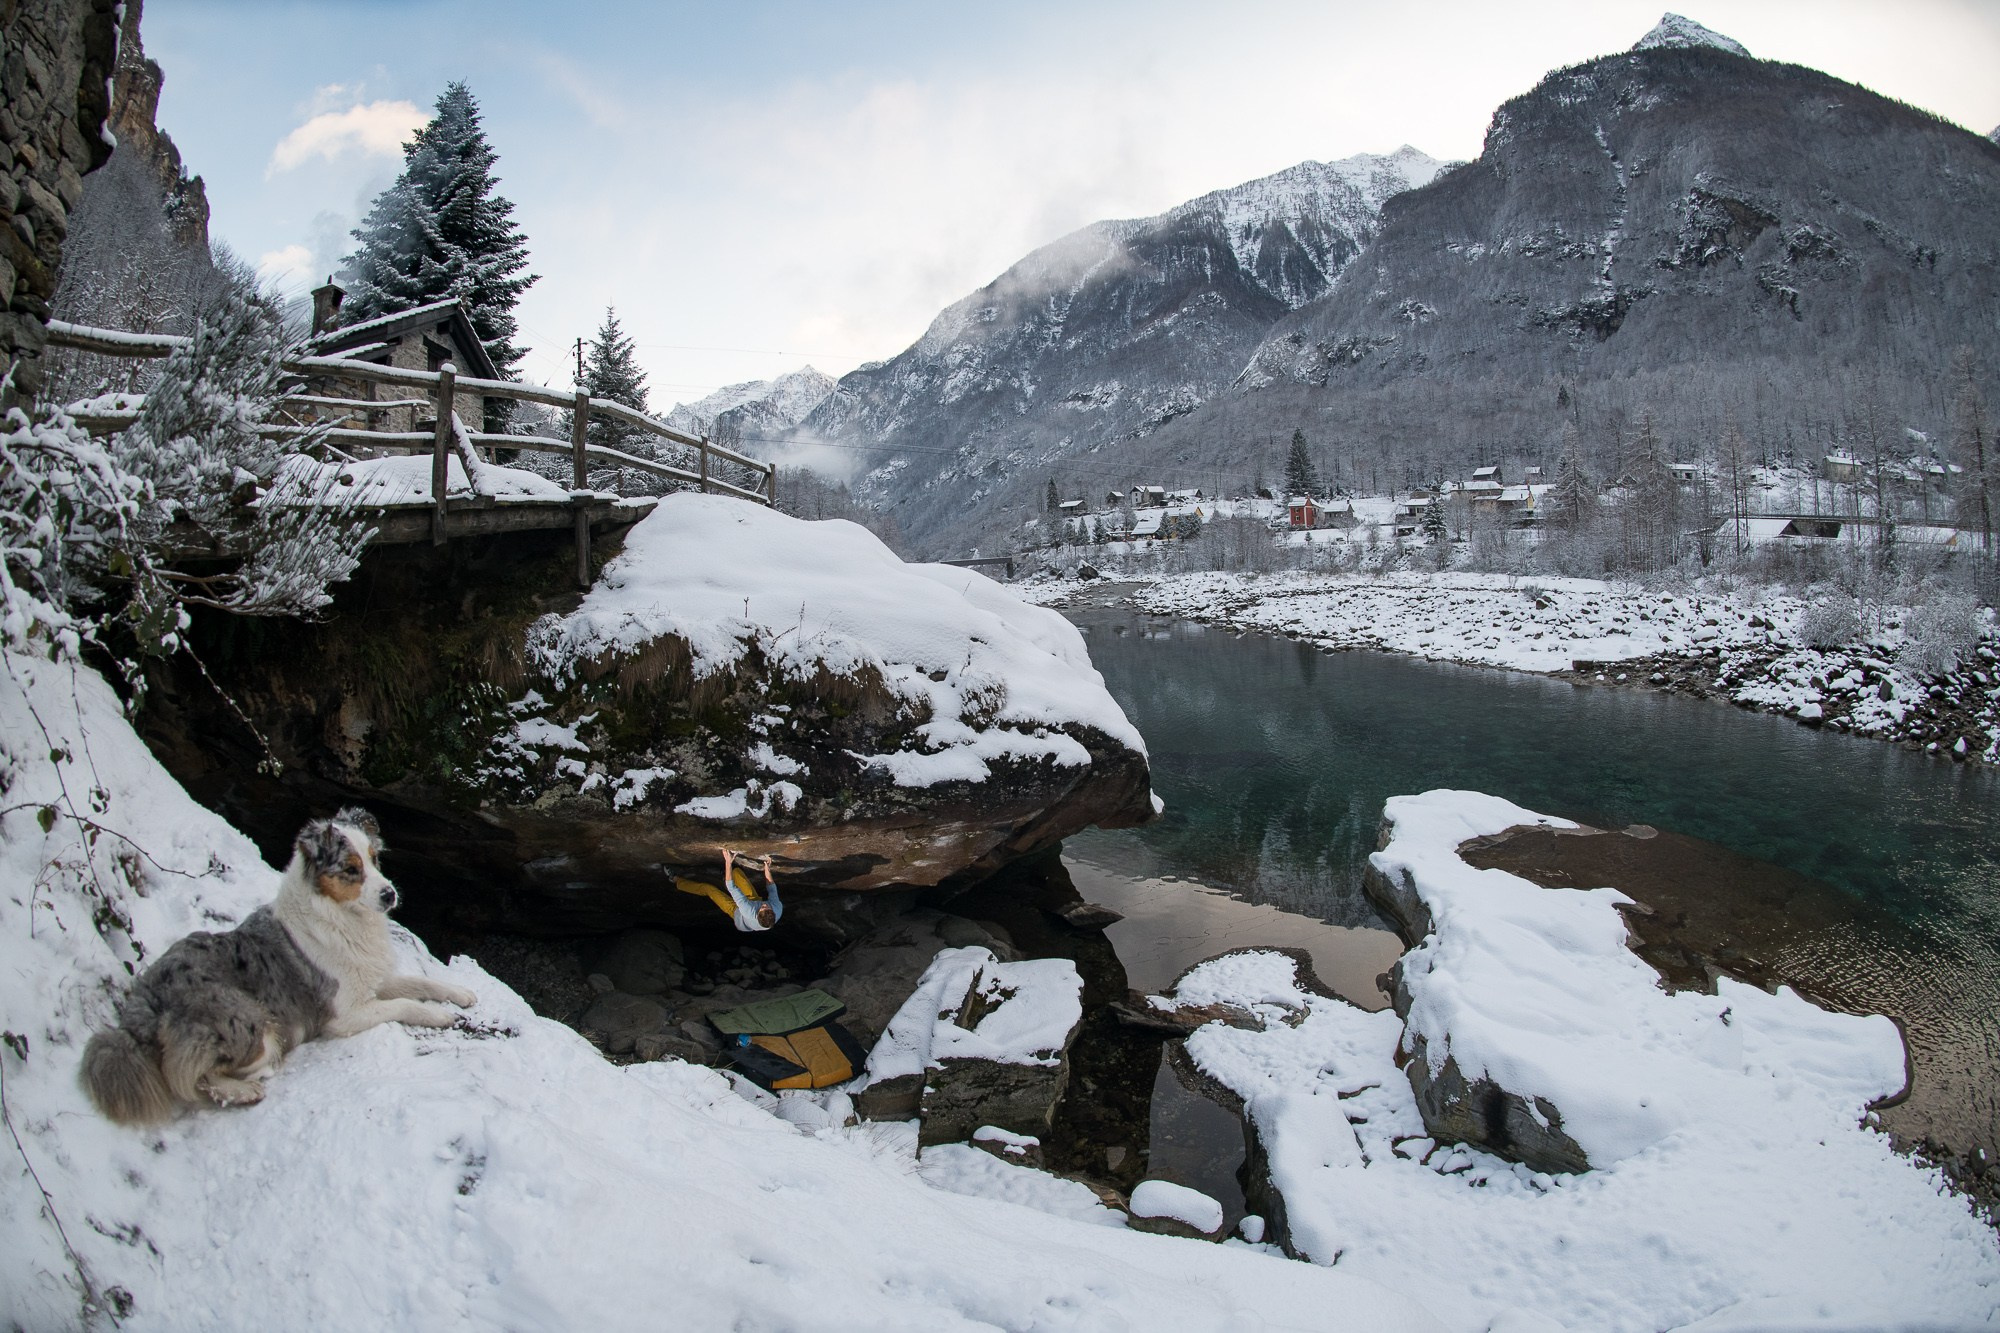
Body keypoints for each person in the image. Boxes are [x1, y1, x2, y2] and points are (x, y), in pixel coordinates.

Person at [674, 849, 782, 932]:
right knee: (737, 873)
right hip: (753, 900)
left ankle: (677, 881)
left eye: (763, 908)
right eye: (767, 906)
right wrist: (767, 870)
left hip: (737, 914)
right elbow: (771, 887)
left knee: (709, 889)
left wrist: (728, 862)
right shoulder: (776, 908)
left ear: (757, 913)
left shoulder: (747, 910)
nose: (765, 905)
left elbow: (731, 887)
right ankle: (726, 874)